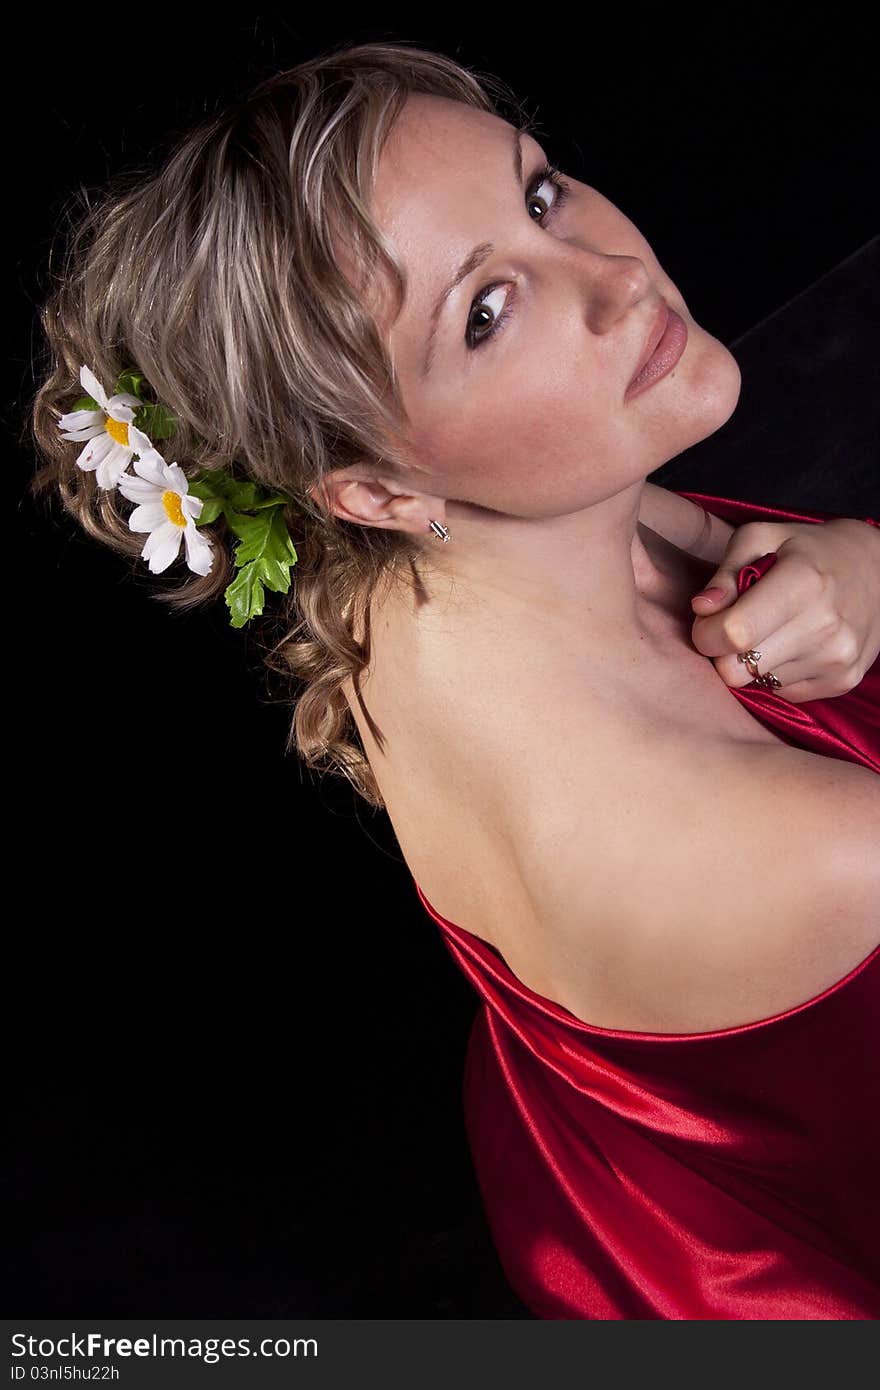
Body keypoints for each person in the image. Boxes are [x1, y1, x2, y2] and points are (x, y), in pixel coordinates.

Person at [28, 39, 880, 1319]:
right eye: (484, 311)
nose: (612, 277)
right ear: (369, 486)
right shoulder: (802, 848)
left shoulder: (419, 577)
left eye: (538, 195)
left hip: (606, 1159)